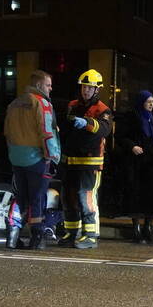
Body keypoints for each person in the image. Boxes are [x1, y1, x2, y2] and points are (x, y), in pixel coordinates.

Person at [4, 69, 59, 251]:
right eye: (48, 85)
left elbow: (7, 131)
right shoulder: (41, 103)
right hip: (36, 158)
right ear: (38, 85)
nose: (51, 88)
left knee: (20, 198)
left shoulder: (14, 104)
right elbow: (46, 132)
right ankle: (36, 239)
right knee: (37, 198)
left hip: (16, 157)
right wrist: (52, 156)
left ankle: (12, 236)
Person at [59, 69, 113, 250]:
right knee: (69, 198)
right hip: (71, 160)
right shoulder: (72, 105)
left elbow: (105, 130)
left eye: (90, 88)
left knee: (86, 198)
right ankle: (71, 233)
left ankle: (90, 235)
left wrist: (87, 123)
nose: (86, 91)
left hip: (90, 162)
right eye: (84, 87)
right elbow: (65, 130)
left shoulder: (103, 109)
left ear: (97, 90)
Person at [118, 89, 153, 243]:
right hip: (137, 162)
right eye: (148, 102)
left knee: (151, 194)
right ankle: (136, 229)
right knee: (136, 194)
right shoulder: (132, 115)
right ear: (141, 102)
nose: (151, 104)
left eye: (152, 102)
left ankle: (148, 227)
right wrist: (132, 146)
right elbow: (121, 136)